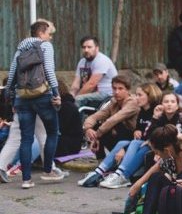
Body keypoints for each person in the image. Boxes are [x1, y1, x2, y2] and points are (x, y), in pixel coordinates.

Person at [4, 20, 64, 187]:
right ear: (40, 33)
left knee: (26, 139)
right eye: (48, 34)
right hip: (42, 95)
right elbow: (50, 71)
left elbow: (12, 73)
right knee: (52, 132)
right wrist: (56, 93)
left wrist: (9, 93)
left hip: (22, 97)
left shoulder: (20, 48)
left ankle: (26, 180)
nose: (50, 38)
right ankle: (48, 171)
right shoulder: (45, 46)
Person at [85, 83, 162, 189]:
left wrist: (125, 149)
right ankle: (98, 172)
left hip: (152, 144)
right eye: (136, 94)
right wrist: (137, 130)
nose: (136, 98)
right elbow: (140, 130)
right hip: (141, 142)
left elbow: (153, 134)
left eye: (140, 95)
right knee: (123, 143)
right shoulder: (142, 111)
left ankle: (122, 175)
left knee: (133, 143)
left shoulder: (156, 111)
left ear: (150, 96)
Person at [82, 75, 140, 158]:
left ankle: (120, 159)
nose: (116, 92)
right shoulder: (114, 102)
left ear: (127, 90)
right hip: (120, 136)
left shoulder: (132, 103)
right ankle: (101, 159)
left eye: (120, 89)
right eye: (114, 88)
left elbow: (114, 119)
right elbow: (95, 116)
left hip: (133, 137)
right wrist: (88, 128)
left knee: (111, 125)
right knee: (97, 126)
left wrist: (96, 136)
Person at [70, 36, 118, 109]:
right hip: (91, 94)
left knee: (78, 99)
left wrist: (75, 98)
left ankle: (75, 120)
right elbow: (76, 84)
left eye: (89, 47)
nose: (86, 50)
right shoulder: (82, 62)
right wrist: (70, 96)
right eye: (84, 47)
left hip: (106, 94)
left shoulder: (101, 60)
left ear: (97, 48)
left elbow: (91, 84)